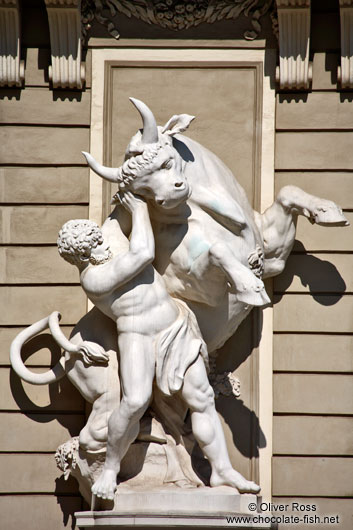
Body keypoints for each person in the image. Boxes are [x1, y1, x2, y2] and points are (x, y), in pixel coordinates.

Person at [57, 192, 260, 500]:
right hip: (137, 336)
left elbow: (126, 204)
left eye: (97, 238)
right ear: (81, 257)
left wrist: (134, 188)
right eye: (93, 246)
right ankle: (110, 468)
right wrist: (139, 210)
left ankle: (221, 470)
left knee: (201, 397)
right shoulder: (93, 278)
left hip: (175, 325)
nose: (102, 245)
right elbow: (142, 254)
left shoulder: (109, 235)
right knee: (135, 402)